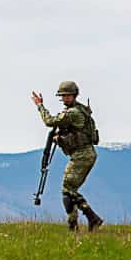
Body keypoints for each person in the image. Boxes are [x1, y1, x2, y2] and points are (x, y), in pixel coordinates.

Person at [32, 81, 103, 231]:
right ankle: (80, 222)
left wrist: (40, 106)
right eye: (62, 96)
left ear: (73, 95)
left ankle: (87, 220)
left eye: (66, 96)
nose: (64, 99)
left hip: (82, 155)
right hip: (83, 154)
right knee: (69, 190)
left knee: (67, 190)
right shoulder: (79, 110)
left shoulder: (73, 113)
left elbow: (49, 121)